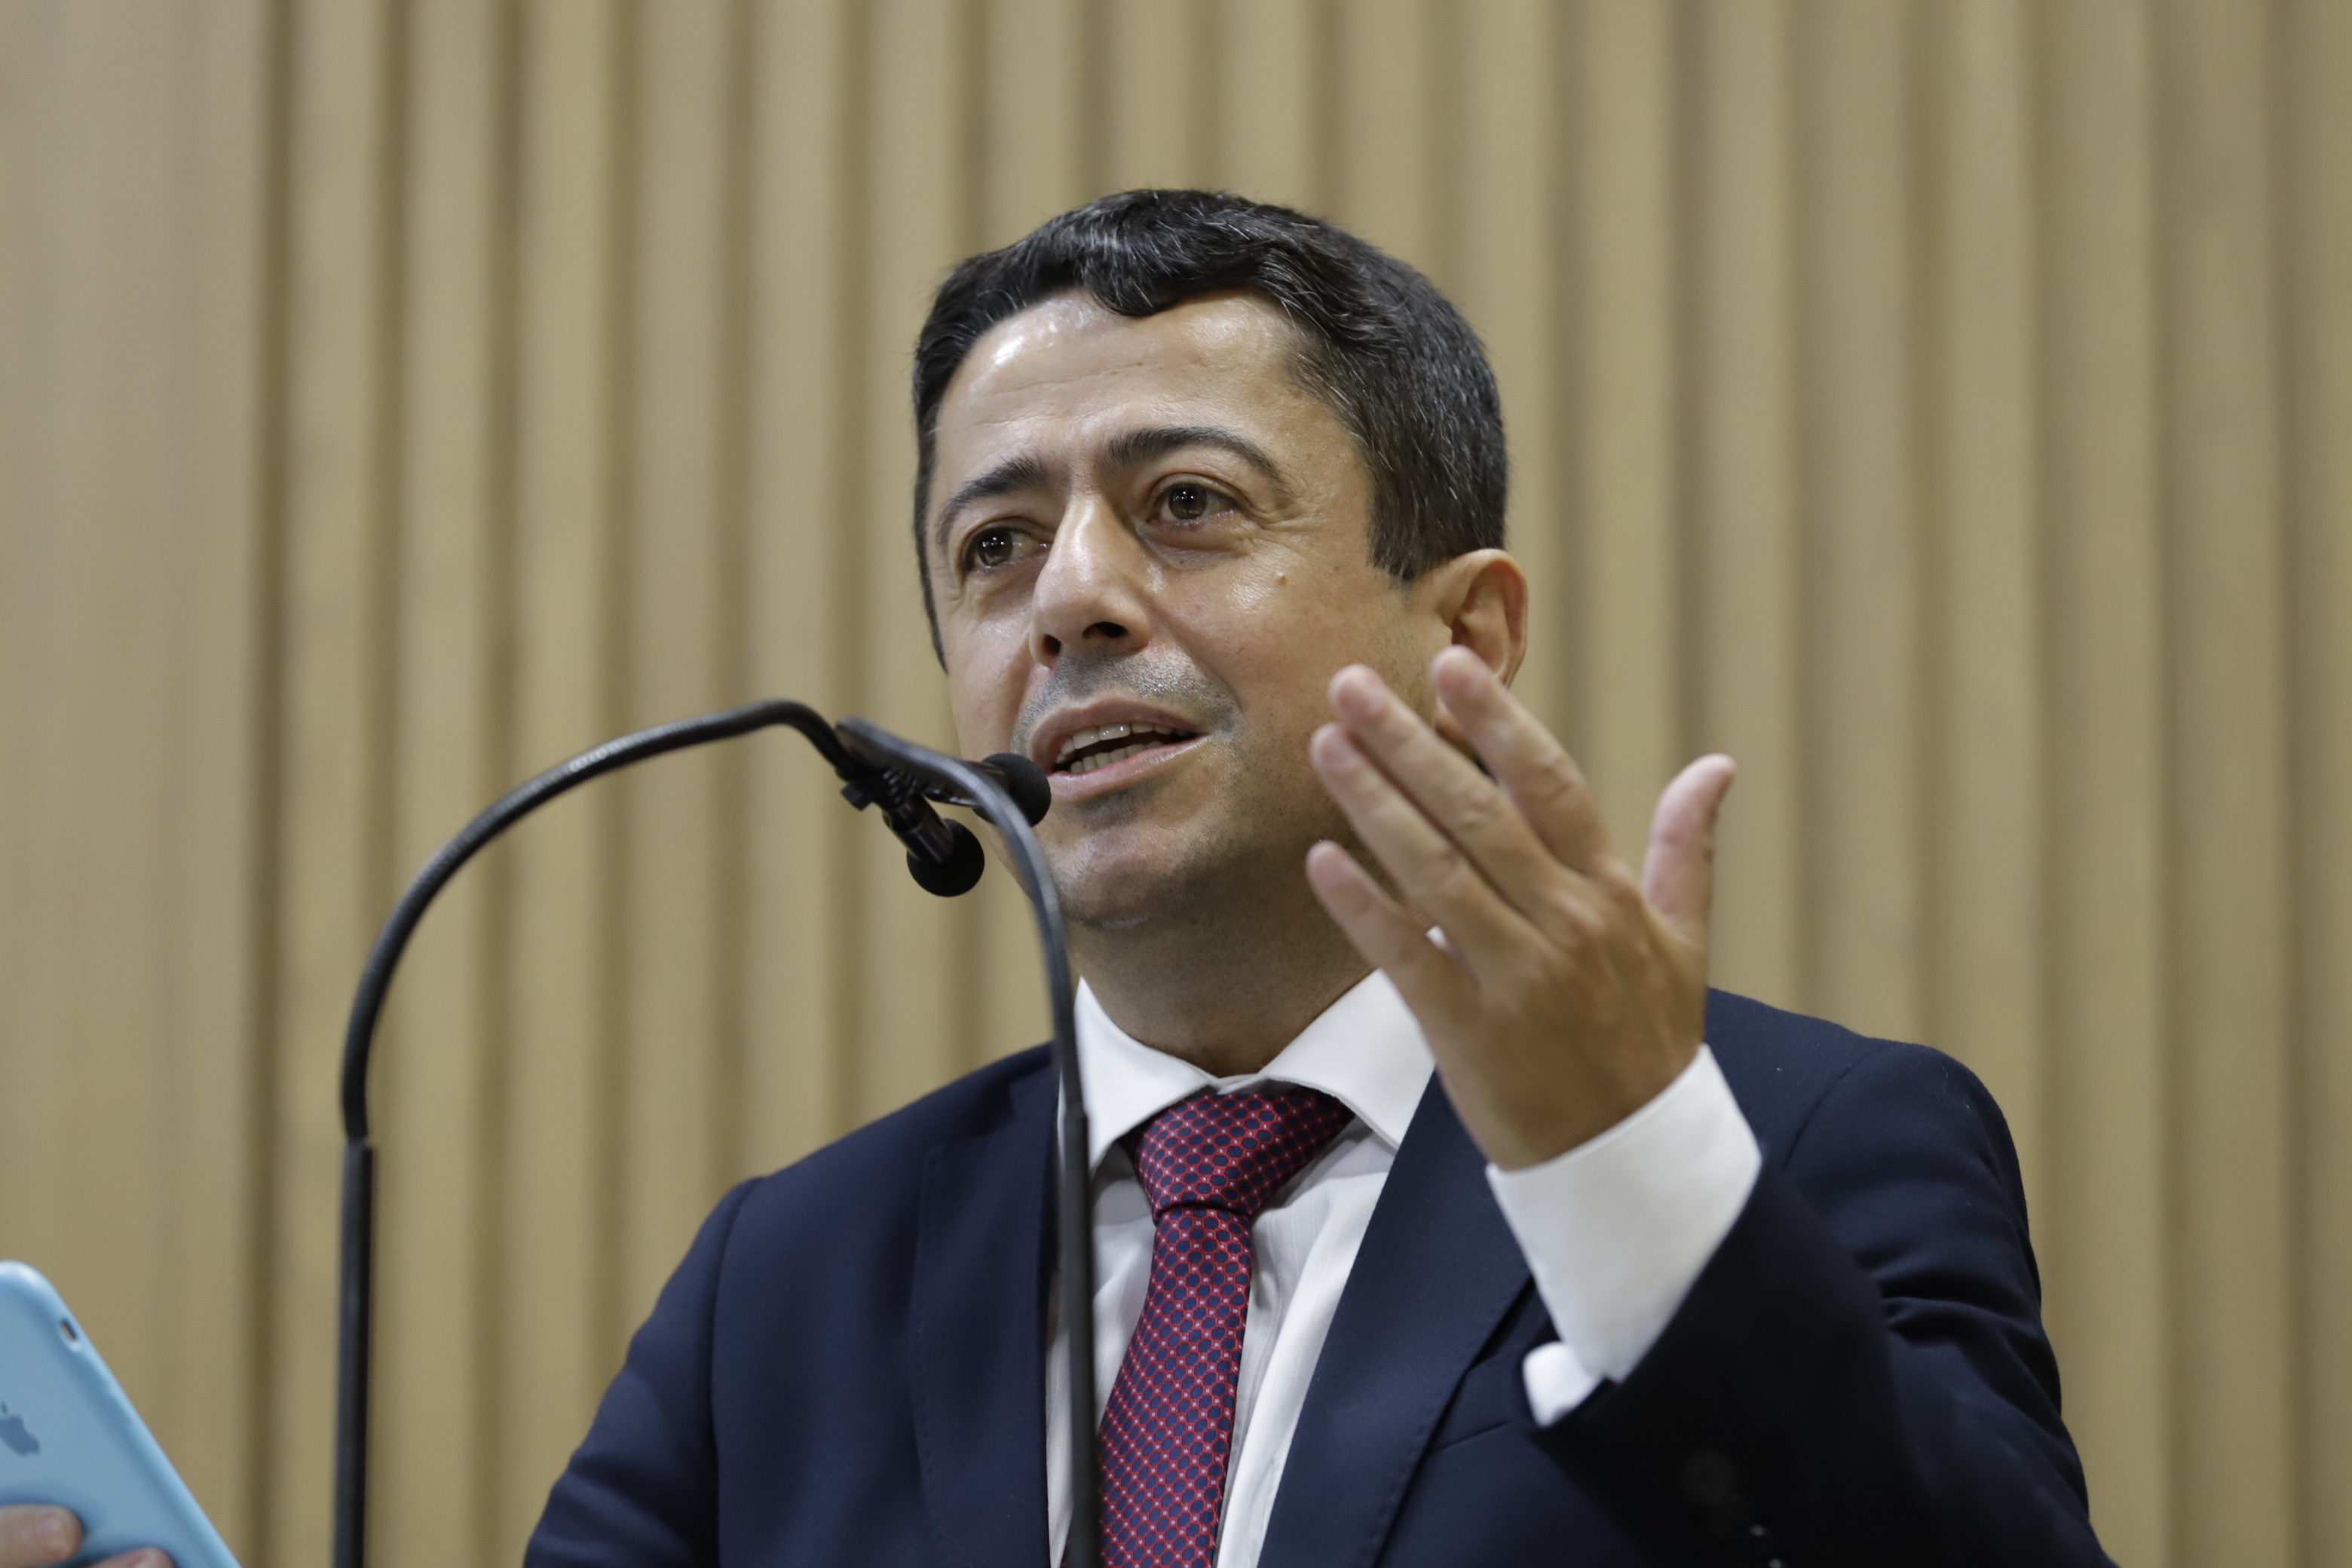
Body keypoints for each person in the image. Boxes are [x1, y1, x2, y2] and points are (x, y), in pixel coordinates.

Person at [0, 190, 2110, 1568]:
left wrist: (1622, 1173)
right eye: (994, 547)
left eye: (1186, 505)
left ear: (1464, 634)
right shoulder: (793, 1280)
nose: (1073, 601)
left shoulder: (1807, 1144)